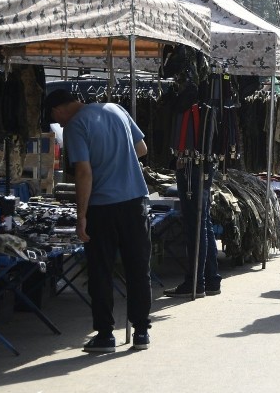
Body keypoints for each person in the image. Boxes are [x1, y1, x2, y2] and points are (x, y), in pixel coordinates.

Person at [44, 89, 152, 353]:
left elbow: (83, 172)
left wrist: (81, 217)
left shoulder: (75, 126)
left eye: (55, 117)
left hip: (102, 207)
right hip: (135, 201)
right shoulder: (116, 109)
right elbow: (141, 148)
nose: (58, 123)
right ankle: (140, 332)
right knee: (138, 268)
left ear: (59, 110)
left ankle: (105, 334)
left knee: (101, 272)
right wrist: (118, 161)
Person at [164, 159, 222, 299]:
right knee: (202, 221)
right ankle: (210, 279)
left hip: (191, 163)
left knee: (195, 223)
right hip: (201, 161)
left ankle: (196, 282)